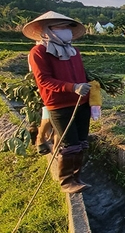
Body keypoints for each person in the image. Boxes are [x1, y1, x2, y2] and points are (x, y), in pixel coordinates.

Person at [23, 11, 91, 193]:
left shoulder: (73, 51)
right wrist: (72, 87)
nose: (66, 31)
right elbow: (43, 80)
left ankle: (77, 177)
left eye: (67, 27)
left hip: (82, 103)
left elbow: (81, 75)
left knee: (82, 142)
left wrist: (88, 88)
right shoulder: (39, 52)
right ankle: (66, 181)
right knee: (71, 144)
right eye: (61, 27)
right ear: (49, 30)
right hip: (60, 105)